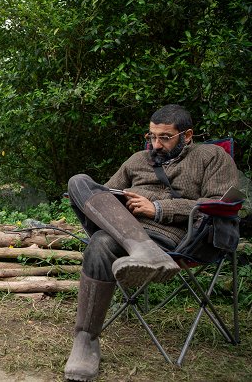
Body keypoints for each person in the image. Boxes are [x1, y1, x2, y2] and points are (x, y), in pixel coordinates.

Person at [63, 104, 238, 381]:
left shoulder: (211, 156)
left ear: (187, 135)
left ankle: (87, 339)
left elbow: (218, 202)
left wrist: (157, 208)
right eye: (151, 136)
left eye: (165, 137)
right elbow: (102, 195)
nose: (155, 144)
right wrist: (118, 201)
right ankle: (86, 338)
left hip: (175, 239)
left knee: (100, 243)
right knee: (79, 182)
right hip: (124, 230)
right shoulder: (136, 160)